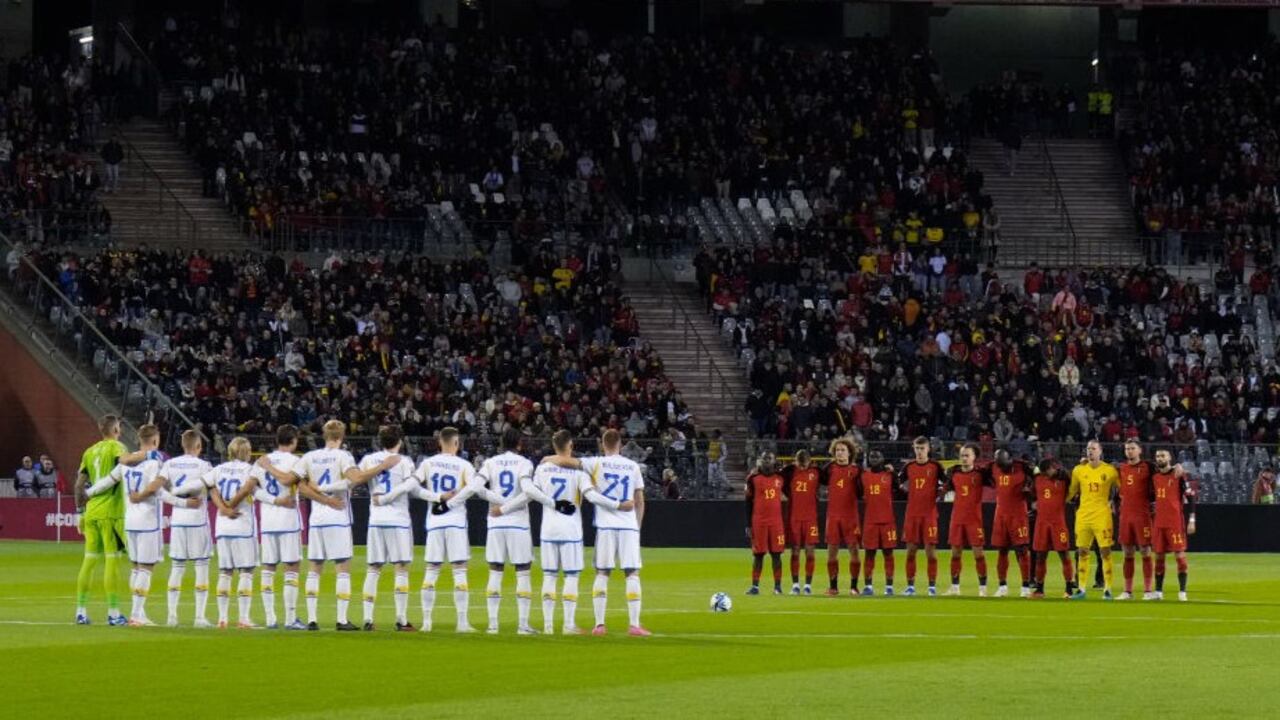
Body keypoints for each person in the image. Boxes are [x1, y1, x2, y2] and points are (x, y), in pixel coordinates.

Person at [519, 431, 630, 634]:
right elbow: (593, 496)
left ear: (554, 446)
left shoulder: (543, 468)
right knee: (571, 577)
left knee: (549, 576)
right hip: (571, 530)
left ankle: (548, 626)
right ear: (570, 445)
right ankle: (569, 625)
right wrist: (617, 504)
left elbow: (530, 492)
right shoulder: (579, 473)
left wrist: (547, 502)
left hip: (548, 530)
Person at [292, 419, 398, 631]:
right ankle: (341, 620)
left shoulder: (309, 457)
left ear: (324, 435)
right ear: (341, 436)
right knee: (342, 569)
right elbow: (357, 478)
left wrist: (321, 496)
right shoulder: (343, 456)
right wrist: (382, 466)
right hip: (338, 517)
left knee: (314, 569)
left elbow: (300, 487)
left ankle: (312, 619)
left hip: (317, 520)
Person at [83, 424, 191, 626]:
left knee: (136, 568)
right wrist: (184, 502)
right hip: (148, 521)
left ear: (139, 440)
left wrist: (88, 494)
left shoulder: (127, 461)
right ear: (156, 441)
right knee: (146, 568)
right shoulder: (156, 462)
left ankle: (136, 612)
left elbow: (107, 481)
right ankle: (137, 614)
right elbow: (159, 492)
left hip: (130, 521)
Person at [73, 414, 149, 626]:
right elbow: (128, 464)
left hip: (91, 512)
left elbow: (79, 485)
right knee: (111, 561)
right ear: (115, 430)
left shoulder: (89, 451)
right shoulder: (117, 448)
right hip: (111, 512)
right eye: (119, 428)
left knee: (88, 561)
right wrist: (147, 453)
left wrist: (80, 512)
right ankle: (114, 613)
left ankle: (80, 611)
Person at [412, 426, 481, 633]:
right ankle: (462, 623)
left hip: (434, 522)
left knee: (431, 571)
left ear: (439, 442)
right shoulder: (464, 465)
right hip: (456, 522)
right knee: (459, 571)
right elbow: (474, 488)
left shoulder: (427, 463)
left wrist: (437, 498)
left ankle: (426, 622)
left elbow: (414, 488)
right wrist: (452, 500)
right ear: (457, 443)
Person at [579, 429, 648, 637]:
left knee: (602, 572)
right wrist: (637, 528)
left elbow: (571, 462)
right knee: (632, 573)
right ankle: (634, 625)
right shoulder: (632, 466)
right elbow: (639, 501)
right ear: (621, 444)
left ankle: (599, 625)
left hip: (606, 525)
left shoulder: (596, 463)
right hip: (628, 526)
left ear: (603, 444)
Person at [474, 428, 537, 634]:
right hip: (518, 522)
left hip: (495, 522)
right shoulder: (525, 463)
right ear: (519, 443)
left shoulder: (490, 462)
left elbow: (477, 487)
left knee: (495, 570)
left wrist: (498, 503)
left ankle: (492, 624)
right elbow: (528, 493)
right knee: (523, 571)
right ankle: (523, 625)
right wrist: (507, 506)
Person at [361, 425, 418, 631]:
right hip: (398, 520)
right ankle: (401, 620)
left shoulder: (368, 460)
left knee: (373, 568)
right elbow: (411, 486)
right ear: (400, 441)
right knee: (401, 569)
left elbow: (357, 479)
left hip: (375, 520)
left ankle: (367, 619)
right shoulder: (405, 461)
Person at [159, 430, 215, 627]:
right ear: (198, 446)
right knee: (201, 567)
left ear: (183, 445)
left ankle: (172, 617)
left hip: (178, 521)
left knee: (177, 567)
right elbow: (212, 488)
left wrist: (179, 503)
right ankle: (199, 617)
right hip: (198, 521)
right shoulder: (204, 465)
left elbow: (160, 492)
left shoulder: (169, 464)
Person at [250, 425, 304, 629]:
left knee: (268, 569)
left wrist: (272, 500)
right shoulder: (296, 461)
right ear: (294, 441)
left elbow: (252, 489)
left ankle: (271, 618)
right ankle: (290, 618)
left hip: (268, 521)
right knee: (292, 567)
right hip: (289, 520)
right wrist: (281, 501)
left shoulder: (262, 460)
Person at [208, 437, 260, 629]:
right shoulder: (250, 470)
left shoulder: (219, 469)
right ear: (246, 452)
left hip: (222, 525)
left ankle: (222, 618)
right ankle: (244, 618)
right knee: (246, 571)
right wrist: (230, 506)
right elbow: (250, 490)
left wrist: (222, 507)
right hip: (242, 523)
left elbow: (210, 487)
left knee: (225, 572)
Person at [1068, 440, 1119, 600]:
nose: (1090, 451)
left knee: (1105, 552)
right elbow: (1070, 492)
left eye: (1093, 449)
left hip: (1102, 516)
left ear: (1100, 451)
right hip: (1083, 516)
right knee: (1082, 551)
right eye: (1088, 449)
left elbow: (1124, 489)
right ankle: (1081, 589)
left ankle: (1108, 589)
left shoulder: (1110, 470)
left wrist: (1115, 502)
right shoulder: (1078, 470)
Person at [899, 436, 944, 596]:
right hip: (912, 514)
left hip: (929, 514)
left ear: (928, 449)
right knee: (911, 551)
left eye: (922, 448)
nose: (919, 452)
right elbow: (897, 484)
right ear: (913, 448)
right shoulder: (908, 466)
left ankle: (932, 586)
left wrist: (939, 494)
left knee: (930, 553)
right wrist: (906, 493)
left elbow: (946, 484)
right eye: (917, 448)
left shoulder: (935, 466)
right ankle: (910, 586)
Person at [1151, 449, 1195, 601]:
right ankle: (1158, 592)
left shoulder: (1179, 475)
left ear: (1169, 457)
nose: (1160, 458)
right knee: (1158, 557)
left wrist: (1192, 520)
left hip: (1175, 522)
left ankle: (1182, 592)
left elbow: (1190, 497)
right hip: (1159, 522)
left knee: (1180, 556)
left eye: (1163, 455)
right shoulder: (1154, 476)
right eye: (1157, 456)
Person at [988, 449, 1032, 598]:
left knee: (1022, 550)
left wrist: (1031, 493)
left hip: (1018, 514)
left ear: (1010, 459)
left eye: (1002, 463)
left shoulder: (1023, 467)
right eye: (998, 463)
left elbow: (1038, 478)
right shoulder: (992, 467)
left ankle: (1026, 586)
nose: (1000, 466)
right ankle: (1002, 586)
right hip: (1000, 515)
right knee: (1002, 550)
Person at [945, 444, 988, 596]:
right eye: (962, 455)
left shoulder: (981, 474)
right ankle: (955, 587)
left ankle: (983, 588)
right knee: (955, 554)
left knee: (979, 554)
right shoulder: (954, 473)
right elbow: (946, 487)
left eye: (967, 455)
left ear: (974, 457)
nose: (964, 458)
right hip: (957, 519)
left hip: (974, 520)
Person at [1031, 457, 1076, 598]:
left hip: (1058, 522)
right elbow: (1031, 494)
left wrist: (1067, 474)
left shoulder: (1063, 479)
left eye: (1052, 468)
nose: (1051, 471)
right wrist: (1032, 503)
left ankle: (1069, 589)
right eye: (1048, 470)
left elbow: (1075, 484)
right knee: (1040, 556)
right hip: (1041, 523)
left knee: (1064, 554)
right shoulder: (1037, 479)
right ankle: (1039, 589)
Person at [1116, 440, 1156, 600]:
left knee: (1145, 551)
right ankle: (1127, 591)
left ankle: (1148, 591)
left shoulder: (1148, 467)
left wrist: (1177, 468)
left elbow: (1165, 472)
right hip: (1126, 515)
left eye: (1133, 448)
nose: (1130, 451)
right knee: (1127, 553)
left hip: (1142, 515)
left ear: (1139, 450)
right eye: (1127, 449)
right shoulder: (1121, 468)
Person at [823, 438, 862, 596]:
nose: (839, 453)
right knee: (832, 552)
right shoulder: (829, 469)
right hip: (833, 517)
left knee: (854, 551)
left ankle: (854, 587)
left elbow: (861, 493)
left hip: (851, 517)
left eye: (843, 450)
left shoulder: (856, 470)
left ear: (849, 453)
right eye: (837, 450)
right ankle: (833, 587)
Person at [745, 452, 785, 596]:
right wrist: (748, 524)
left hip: (776, 522)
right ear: (760, 461)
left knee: (776, 554)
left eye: (770, 458)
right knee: (758, 554)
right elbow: (748, 503)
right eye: (764, 459)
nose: (767, 461)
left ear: (774, 461)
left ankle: (778, 587)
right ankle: (755, 586)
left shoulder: (781, 477)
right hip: (759, 522)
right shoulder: (753, 479)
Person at [859, 450, 899, 596]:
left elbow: (900, 490)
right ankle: (868, 586)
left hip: (887, 521)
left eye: (877, 456)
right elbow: (857, 492)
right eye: (872, 456)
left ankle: (889, 586)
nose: (874, 458)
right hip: (870, 521)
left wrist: (894, 473)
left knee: (888, 554)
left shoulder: (889, 475)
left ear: (883, 459)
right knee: (870, 554)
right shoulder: (863, 475)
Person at [784, 450, 820, 595]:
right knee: (795, 551)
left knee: (810, 552)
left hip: (810, 518)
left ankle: (808, 585)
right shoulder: (790, 472)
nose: (803, 465)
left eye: (805, 462)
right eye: (800, 462)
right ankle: (795, 585)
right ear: (796, 461)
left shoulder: (816, 473)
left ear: (809, 461)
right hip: (794, 518)